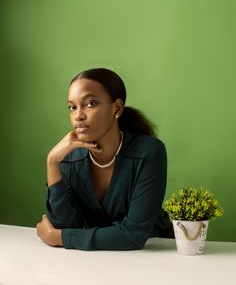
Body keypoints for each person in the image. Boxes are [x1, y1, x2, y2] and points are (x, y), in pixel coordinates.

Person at [36, 67, 174, 250]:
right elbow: (68, 227)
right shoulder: (68, 159)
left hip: (154, 256)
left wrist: (56, 237)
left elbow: (133, 235)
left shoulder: (149, 153)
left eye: (90, 103)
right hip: (96, 261)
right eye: (72, 107)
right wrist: (52, 162)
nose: (78, 115)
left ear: (116, 108)